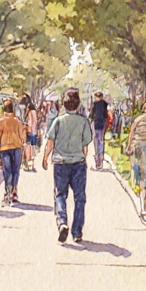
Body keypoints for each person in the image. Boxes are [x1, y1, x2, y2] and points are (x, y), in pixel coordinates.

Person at [43, 89, 93, 243]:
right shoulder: (83, 122)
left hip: (60, 163)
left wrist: (45, 157)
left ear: (64, 105)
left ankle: (62, 223)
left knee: (60, 195)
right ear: (78, 105)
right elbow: (85, 146)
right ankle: (77, 232)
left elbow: (50, 142)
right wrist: (82, 158)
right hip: (78, 164)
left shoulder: (58, 121)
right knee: (80, 198)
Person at [124, 102, 146, 217]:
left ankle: (142, 203)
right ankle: (143, 205)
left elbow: (132, 133)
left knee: (139, 174)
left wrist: (129, 146)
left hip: (137, 147)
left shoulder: (138, 119)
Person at [0, 99, 26, 205]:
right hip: (17, 147)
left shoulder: (1, 121)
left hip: (4, 148)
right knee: (15, 171)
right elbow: (22, 137)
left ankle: (7, 193)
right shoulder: (18, 121)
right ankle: (14, 191)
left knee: (7, 171)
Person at [90, 92, 110, 169]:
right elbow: (106, 114)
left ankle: (97, 157)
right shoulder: (105, 103)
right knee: (101, 140)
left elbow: (92, 114)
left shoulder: (94, 104)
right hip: (102, 122)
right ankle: (101, 157)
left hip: (96, 122)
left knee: (96, 139)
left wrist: (91, 119)